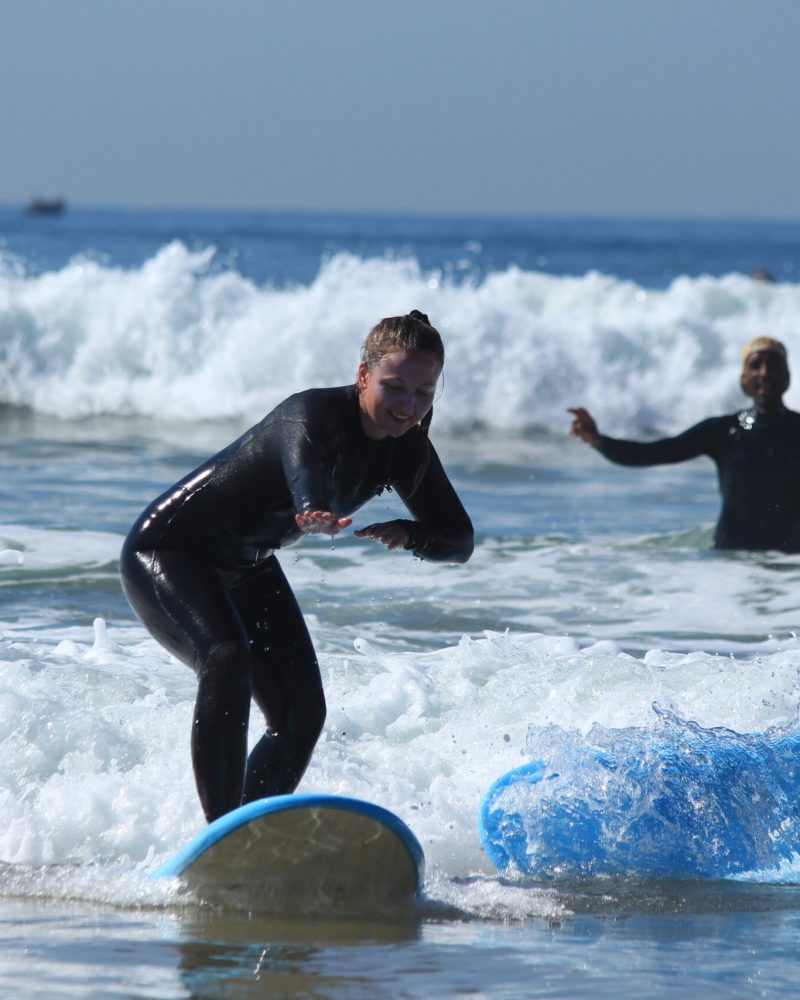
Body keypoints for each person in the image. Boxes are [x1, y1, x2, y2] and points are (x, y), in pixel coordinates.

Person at [120, 310, 473, 822]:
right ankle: (221, 832)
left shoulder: (406, 449)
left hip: (246, 562)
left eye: (423, 394)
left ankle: (251, 827)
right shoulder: (311, 414)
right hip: (168, 550)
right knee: (226, 658)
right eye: (395, 387)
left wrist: (412, 532)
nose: (407, 406)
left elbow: (458, 540)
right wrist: (311, 508)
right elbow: (302, 466)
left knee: (300, 713)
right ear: (363, 376)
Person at [568, 336, 800, 552]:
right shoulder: (723, 431)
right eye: (755, 365)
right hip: (733, 565)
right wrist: (598, 440)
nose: (765, 372)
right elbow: (650, 453)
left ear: (788, 375)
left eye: (774, 365)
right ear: (743, 378)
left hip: (791, 570)